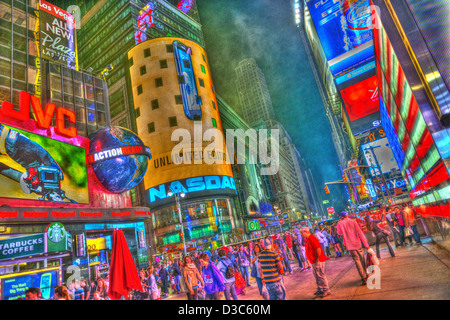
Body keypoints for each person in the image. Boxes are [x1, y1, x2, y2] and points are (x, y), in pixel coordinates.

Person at [337, 211, 370, 285]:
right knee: (362, 259)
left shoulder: (340, 223)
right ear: (347, 215)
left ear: (341, 217)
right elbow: (360, 232)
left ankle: (363, 277)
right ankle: (366, 274)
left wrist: (340, 222)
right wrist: (366, 244)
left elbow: (339, 233)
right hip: (357, 243)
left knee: (357, 260)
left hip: (350, 245)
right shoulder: (353, 221)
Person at [300, 227, 331, 298]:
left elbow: (318, 249)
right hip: (313, 261)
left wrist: (317, 258)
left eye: (302, 233)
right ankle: (320, 289)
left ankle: (326, 290)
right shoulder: (307, 239)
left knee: (320, 275)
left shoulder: (312, 238)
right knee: (317, 275)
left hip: (318, 260)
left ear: (306, 232)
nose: (301, 234)